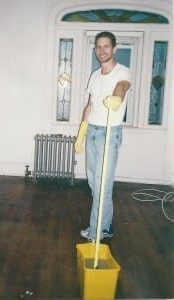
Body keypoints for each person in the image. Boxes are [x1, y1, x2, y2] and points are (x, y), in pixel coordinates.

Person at [75, 31, 131, 242]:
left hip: (110, 132)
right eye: (98, 47)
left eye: (106, 46)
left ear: (114, 48)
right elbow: (90, 104)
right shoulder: (95, 75)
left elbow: (122, 86)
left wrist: (116, 99)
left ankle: (96, 231)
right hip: (93, 132)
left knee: (102, 185)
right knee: (94, 183)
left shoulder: (123, 72)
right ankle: (105, 226)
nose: (102, 51)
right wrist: (82, 131)